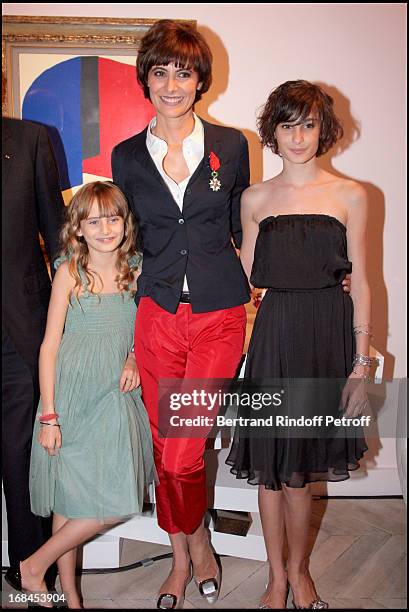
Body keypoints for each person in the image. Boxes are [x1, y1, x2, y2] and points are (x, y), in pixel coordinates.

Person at [111, 19, 250, 609]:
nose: (172, 83)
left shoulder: (233, 146)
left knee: (182, 451)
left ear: (200, 81)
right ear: (146, 77)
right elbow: (124, 246)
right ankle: (185, 557)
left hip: (218, 315)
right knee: (167, 443)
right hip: (157, 316)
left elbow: (247, 230)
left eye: (184, 72)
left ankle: (198, 552)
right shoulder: (125, 158)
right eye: (161, 71)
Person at [226, 80, 370, 609]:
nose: (298, 136)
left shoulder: (349, 194)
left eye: (308, 124)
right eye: (288, 125)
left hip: (326, 338)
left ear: (323, 128)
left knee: (303, 467)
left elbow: (365, 282)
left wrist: (361, 360)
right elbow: (242, 285)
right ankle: (276, 578)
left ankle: (301, 572)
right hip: (273, 337)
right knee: (269, 465)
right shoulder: (255, 198)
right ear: (274, 131)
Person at [14, 181, 156, 609]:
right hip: (71, 393)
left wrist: (133, 357)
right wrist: (49, 415)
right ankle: (70, 594)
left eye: (112, 218)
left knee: (118, 499)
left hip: (114, 391)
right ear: (78, 229)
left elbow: (145, 332)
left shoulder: (138, 269)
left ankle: (34, 566)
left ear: (125, 223)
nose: (104, 228)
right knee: (69, 496)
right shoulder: (69, 272)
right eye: (93, 221)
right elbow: (49, 345)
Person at [2, 117, 65, 592]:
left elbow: (58, 236)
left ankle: (32, 576)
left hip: (17, 331)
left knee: (21, 460)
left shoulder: (29, 140)